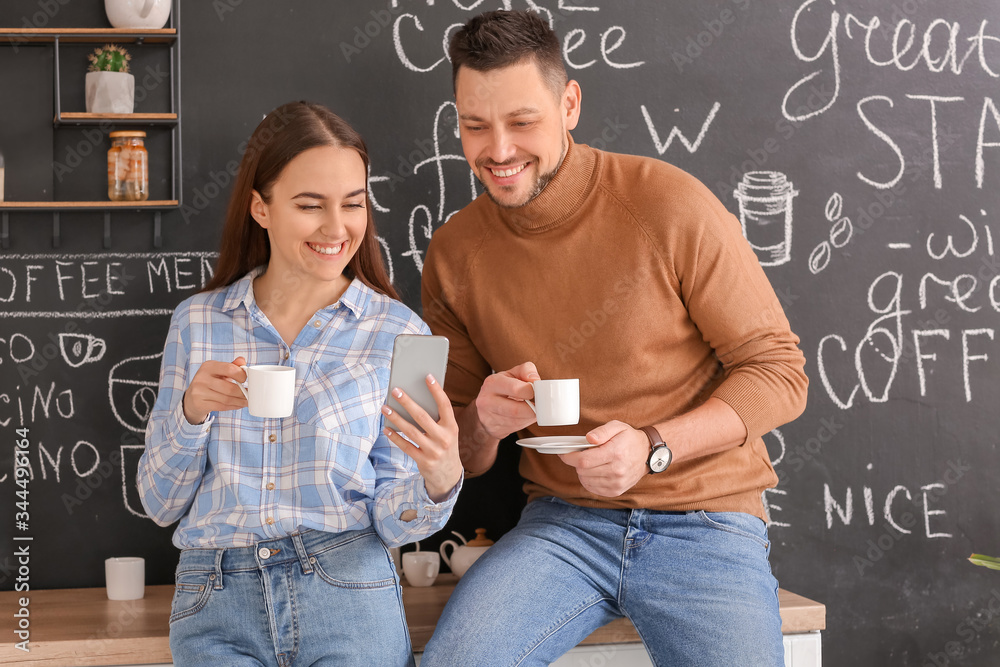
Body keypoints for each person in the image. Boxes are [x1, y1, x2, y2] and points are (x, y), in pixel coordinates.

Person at [419, 11, 809, 667]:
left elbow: (779, 371)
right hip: (562, 525)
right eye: (475, 125)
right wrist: (482, 423)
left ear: (569, 104)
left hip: (707, 519)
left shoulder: (668, 203)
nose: (498, 149)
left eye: (522, 122)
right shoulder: (455, 252)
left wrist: (654, 446)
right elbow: (455, 448)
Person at [137, 101, 463, 667]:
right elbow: (160, 503)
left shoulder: (400, 332)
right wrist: (191, 412)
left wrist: (439, 480)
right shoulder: (198, 322)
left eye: (353, 204)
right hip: (216, 602)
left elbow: (392, 517)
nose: (337, 229)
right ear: (261, 208)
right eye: (310, 206)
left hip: (347, 592)